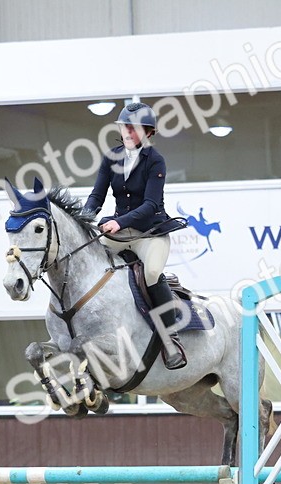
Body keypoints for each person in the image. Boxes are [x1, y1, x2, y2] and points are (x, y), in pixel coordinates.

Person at [82, 102, 188, 369]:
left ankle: (169, 338)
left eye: (134, 128)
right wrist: (82, 220)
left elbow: (151, 205)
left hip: (150, 233)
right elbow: (97, 196)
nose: (128, 131)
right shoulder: (111, 157)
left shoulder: (156, 160)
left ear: (147, 132)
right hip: (120, 231)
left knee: (151, 273)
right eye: (124, 127)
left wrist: (118, 222)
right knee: (87, 261)